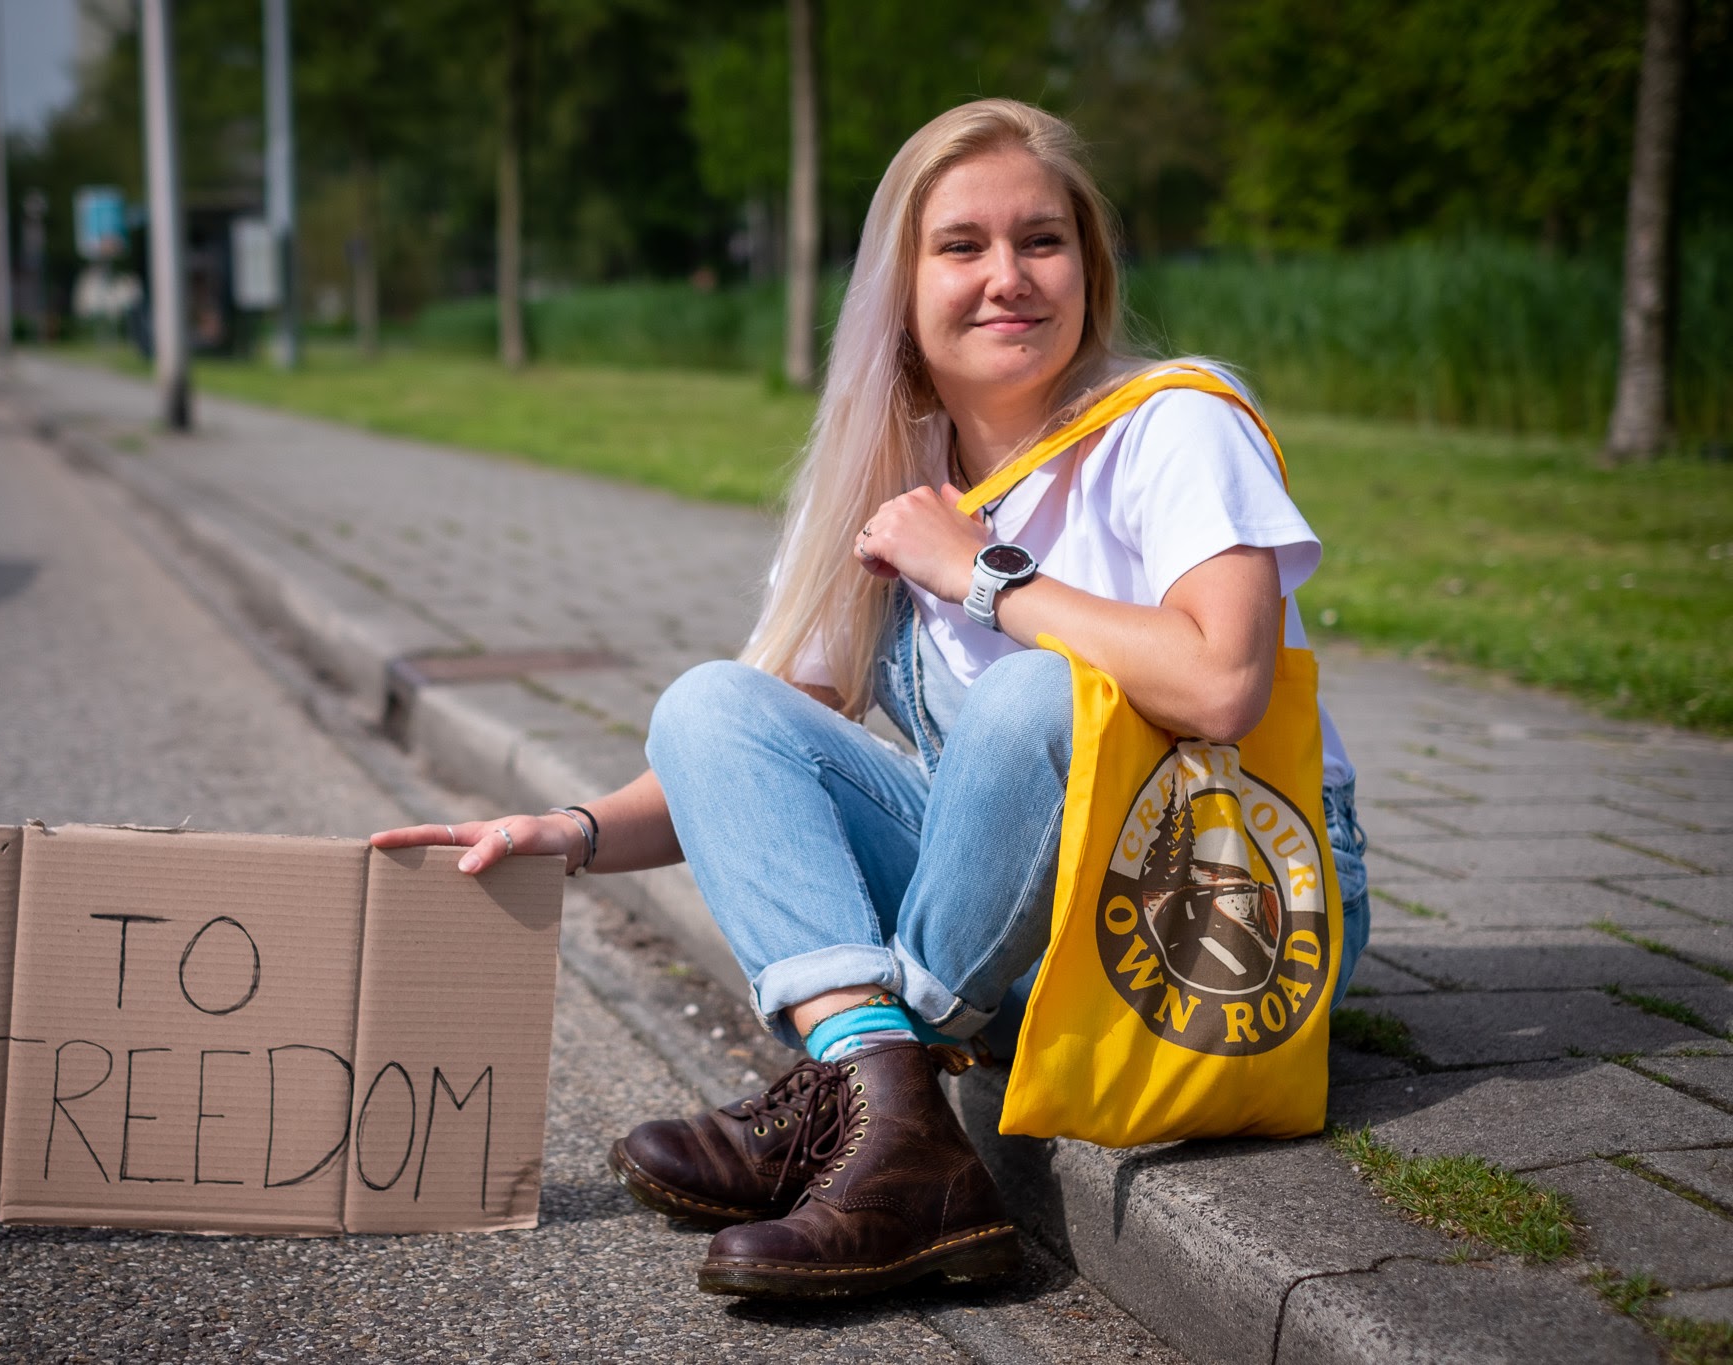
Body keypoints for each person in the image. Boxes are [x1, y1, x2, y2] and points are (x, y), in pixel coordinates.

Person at [370, 97, 1371, 1300]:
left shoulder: (1173, 423)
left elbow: (1221, 684)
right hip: (1014, 919)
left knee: (1035, 700)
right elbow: (738, 765)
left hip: (1215, 908)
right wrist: (569, 835)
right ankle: (891, 1111)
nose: (1007, 278)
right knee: (708, 702)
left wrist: (980, 574)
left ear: (1088, 269)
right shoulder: (886, 476)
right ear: (898, 286)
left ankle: (857, 1106)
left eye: (1040, 241)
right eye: (961, 247)